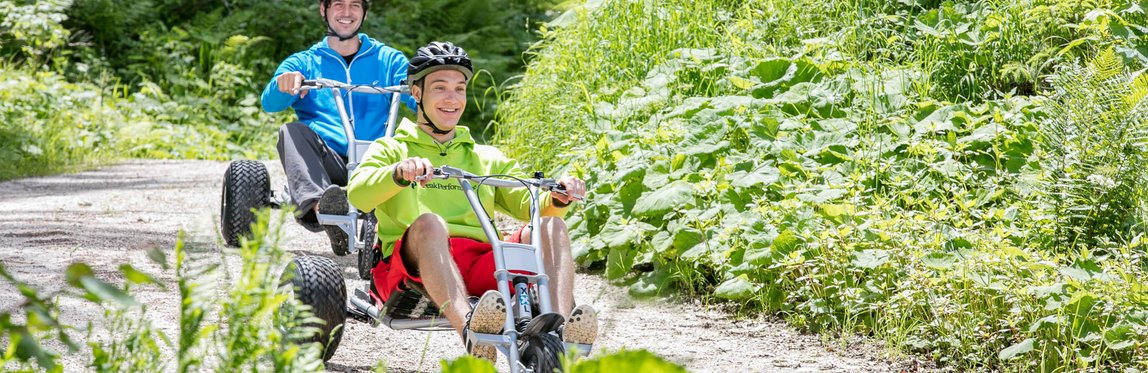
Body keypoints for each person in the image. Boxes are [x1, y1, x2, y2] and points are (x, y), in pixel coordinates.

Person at [347, 41, 598, 362]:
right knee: (430, 223)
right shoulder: (392, 149)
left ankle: (559, 333)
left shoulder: (485, 157)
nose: (452, 99)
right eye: (440, 88)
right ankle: (472, 333)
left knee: (551, 225)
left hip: (479, 265)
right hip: (411, 266)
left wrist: (558, 196)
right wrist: (398, 173)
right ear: (417, 93)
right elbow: (358, 195)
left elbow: (528, 204)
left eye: (460, 89)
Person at [260, 0, 415, 253]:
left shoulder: (389, 60)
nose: (346, 13)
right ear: (324, 10)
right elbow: (270, 103)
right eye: (339, 4)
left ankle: (388, 231)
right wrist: (285, 84)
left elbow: (420, 98)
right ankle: (324, 211)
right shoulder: (305, 62)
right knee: (291, 131)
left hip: (377, 160)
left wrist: (430, 92)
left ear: (365, 12)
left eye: (354, 5)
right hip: (328, 162)